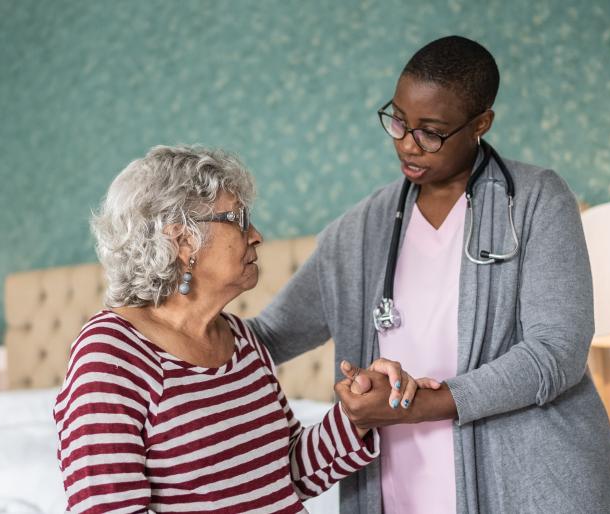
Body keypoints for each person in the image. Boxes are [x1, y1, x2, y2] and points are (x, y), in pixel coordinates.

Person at [248, 36, 610, 513]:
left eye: (431, 131)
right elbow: (265, 337)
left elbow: (556, 353)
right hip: (401, 484)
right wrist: (157, 326)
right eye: (399, 122)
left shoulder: (535, 201)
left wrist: (422, 404)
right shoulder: (358, 232)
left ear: (480, 124)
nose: (408, 144)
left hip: (530, 482)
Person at [53, 145, 406, 513]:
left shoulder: (241, 339)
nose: (256, 235)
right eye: (239, 219)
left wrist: (355, 417)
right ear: (183, 240)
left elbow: (286, 476)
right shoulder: (110, 355)